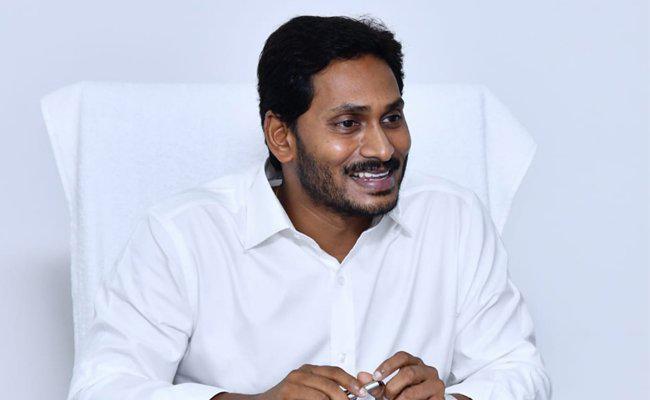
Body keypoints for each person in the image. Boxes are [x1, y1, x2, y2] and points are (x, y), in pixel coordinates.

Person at [67, 15, 552, 400]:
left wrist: (453, 399)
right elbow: (101, 387)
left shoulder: (454, 218)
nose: (383, 148)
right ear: (282, 137)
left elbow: (518, 369)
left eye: (391, 118)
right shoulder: (182, 236)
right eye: (348, 123)